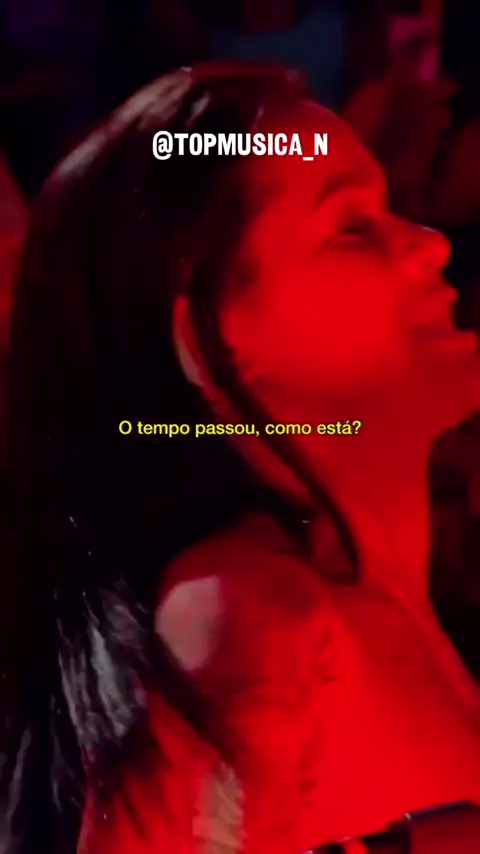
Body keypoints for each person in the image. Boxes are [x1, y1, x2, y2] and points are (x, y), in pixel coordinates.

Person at [2, 62, 480, 854]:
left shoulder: (347, 610)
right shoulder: (254, 616)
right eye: (351, 225)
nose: (428, 244)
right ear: (210, 331)